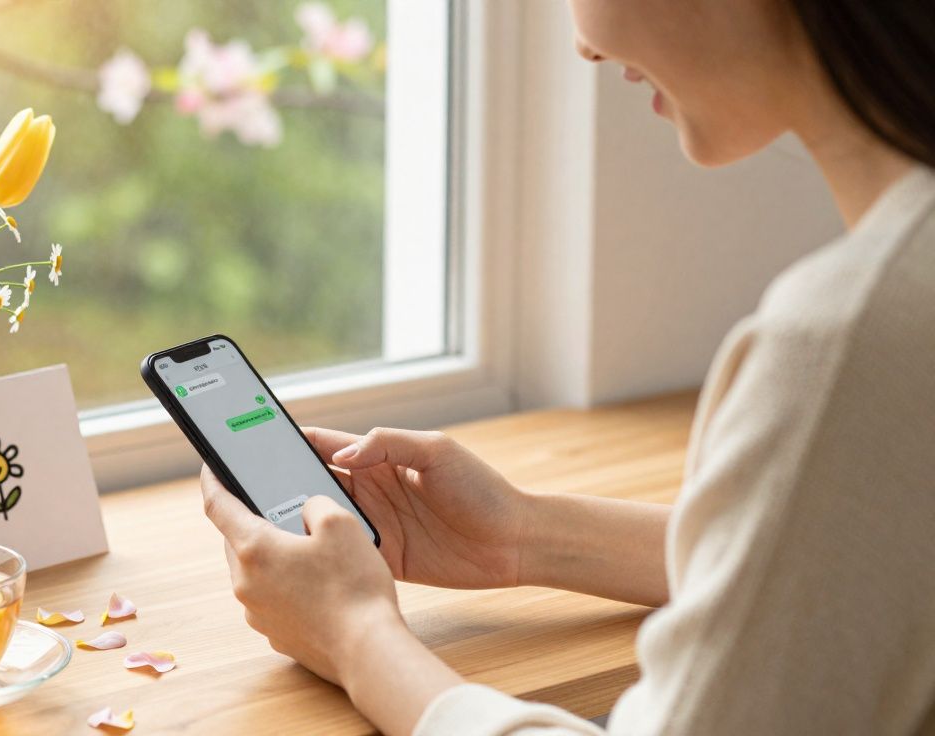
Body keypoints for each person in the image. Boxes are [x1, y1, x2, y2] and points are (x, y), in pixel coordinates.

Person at [198, 0, 935, 733]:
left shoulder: (854, 342)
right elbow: (861, 562)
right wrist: (524, 535)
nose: (582, 48)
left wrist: (357, 638)